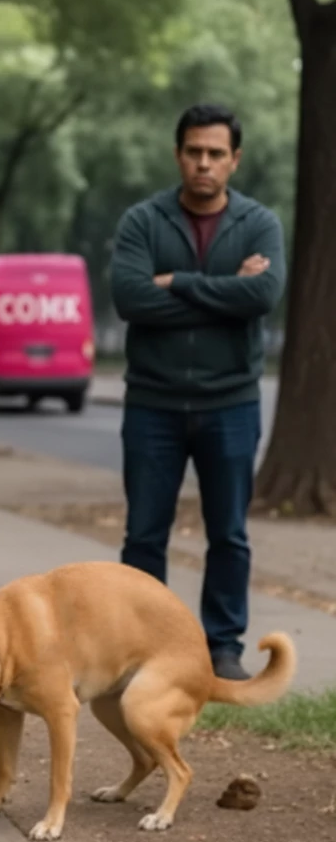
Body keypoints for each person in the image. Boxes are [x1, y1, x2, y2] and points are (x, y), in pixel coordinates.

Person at [110, 103, 286, 682]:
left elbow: (260, 297)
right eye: (193, 152)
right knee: (144, 535)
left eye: (215, 154)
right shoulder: (143, 221)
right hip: (152, 404)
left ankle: (222, 646)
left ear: (234, 159)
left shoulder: (259, 223)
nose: (203, 164)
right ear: (178, 154)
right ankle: (140, 649)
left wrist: (178, 283)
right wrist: (222, 291)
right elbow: (131, 300)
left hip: (230, 402)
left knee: (229, 532)